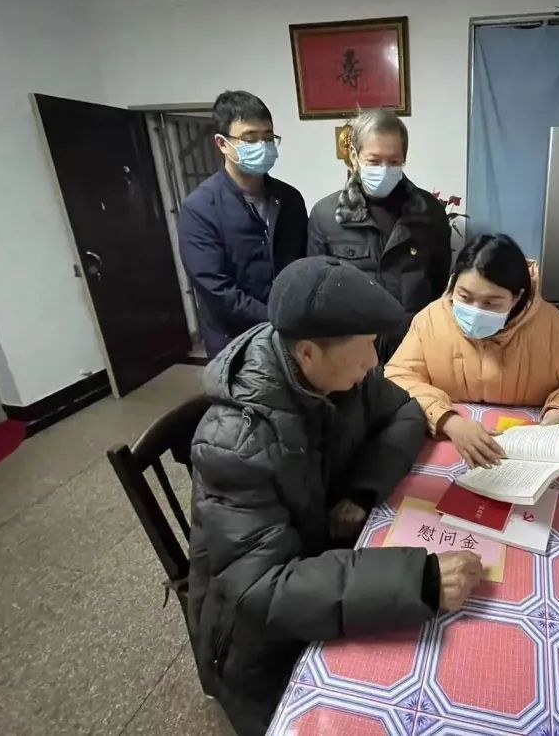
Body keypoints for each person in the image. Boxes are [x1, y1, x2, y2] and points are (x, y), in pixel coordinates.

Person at [188, 256, 483, 735]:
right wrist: (421, 581)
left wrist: (362, 490)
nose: (374, 362)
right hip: (259, 645)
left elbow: (405, 412)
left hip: (325, 562)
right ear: (308, 353)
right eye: (366, 346)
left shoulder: (335, 374)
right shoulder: (234, 444)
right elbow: (260, 587)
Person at [386, 234, 559, 468]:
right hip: (448, 444)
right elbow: (398, 377)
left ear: (517, 297)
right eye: (464, 296)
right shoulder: (430, 320)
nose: (475, 310)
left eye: (491, 303)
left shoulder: (554, 329)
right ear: (453, 283)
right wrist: (448, 422)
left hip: (523, 452)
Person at [308, 108, 450, 362]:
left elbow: (439, 282)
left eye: (394, 162)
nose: (384, 169)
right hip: (350, 351)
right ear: (355, 156)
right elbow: (318, 291)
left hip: (414, 347)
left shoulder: (429, 213)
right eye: (374, 161)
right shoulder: (327, 215)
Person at [178, 90, 308, 358]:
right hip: (236, 341)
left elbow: (304, 261)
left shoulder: (289, 198)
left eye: (268, 137)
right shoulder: (200, 207)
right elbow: (216, 289)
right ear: (222, 143)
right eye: (250, 138)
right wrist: (276, 320)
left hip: (292, 334)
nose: (262, 145)